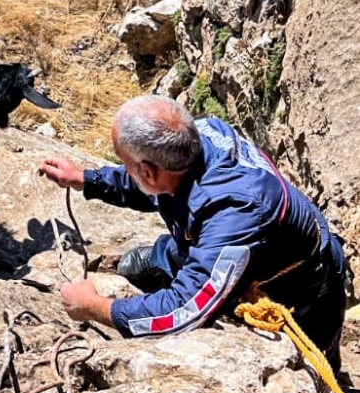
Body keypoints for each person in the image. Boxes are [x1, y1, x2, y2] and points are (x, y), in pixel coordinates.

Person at [40, 95, 347, 369]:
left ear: (146, 171)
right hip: (227, 240)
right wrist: (86, 178)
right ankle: (170, 260)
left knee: (316, 361)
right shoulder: (197, 137)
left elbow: (184, 310)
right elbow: (149, 184)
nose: (127, 170)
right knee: (187, 247)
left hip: (301, 285)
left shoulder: (234, 213)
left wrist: (95, 307)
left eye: (125, 163)